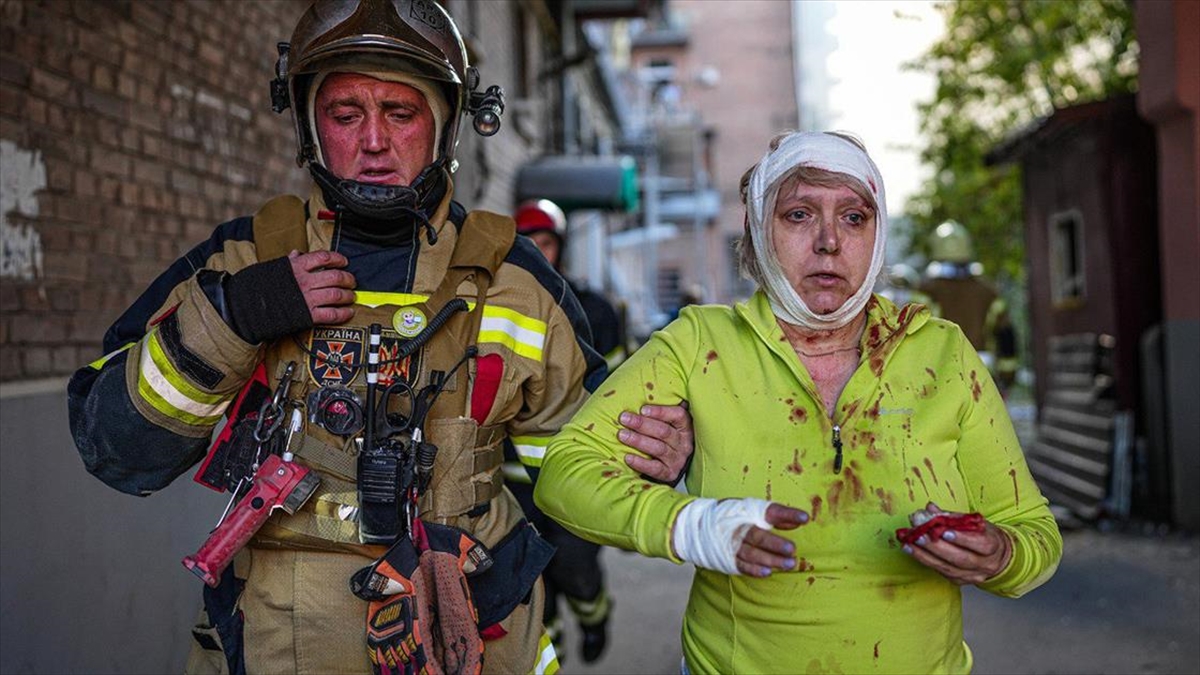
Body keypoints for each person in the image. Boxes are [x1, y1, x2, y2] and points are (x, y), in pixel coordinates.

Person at [65, 2, 690, 673]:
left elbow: (585, 469)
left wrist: (657, 449)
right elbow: (116, 449)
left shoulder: (515, 281)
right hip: (279, 643)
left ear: (444, 126)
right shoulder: (244, 263)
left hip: (475, 638)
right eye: (344, 114)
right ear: (309, 123)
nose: (373, 141)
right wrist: (236, 318)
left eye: (400, 113)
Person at [535, 131, 1062, 674]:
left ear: (877, 234)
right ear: (760, 232)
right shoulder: (700, 344)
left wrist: (1001, 556)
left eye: (854, 218)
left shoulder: (942, 353)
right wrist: (693, 525)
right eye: (799, 215)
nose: (830, 242)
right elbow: (564, 474)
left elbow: (1032, 533)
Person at [919, 220, 1018, 394]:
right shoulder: (989, 291)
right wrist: (1007, 377)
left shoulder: (926, 291)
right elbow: (1006, 334)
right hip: (984, 375)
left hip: (938, 376)